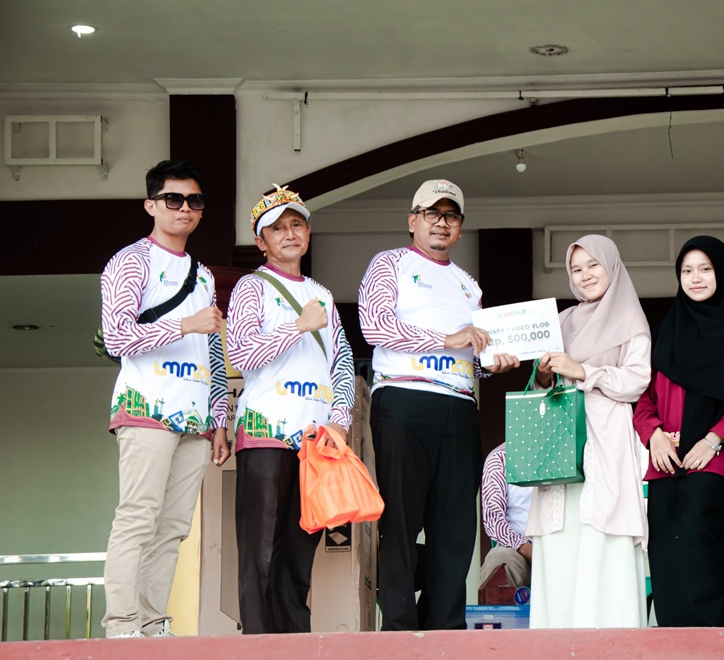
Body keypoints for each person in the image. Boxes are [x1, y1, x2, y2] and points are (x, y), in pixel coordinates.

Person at [357, 179, 518, 631]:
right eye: (432, 213)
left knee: (455, 529)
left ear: (460, 227)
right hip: (404, 398)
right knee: (401, 519)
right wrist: (446, 338)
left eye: (451, 216)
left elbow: (476, 354)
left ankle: (445, 628)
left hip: (460, 405)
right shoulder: (389, 263)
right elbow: (375, 327)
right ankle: (400, 628)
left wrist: (493, 363)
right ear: (413, 220)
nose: (441, 223)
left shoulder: (469, 285)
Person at [99, 160, 229, 638]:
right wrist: (183, 324)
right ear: (151, 205)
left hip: (195, 418)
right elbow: (117, 337)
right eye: (173, 199)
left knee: (173, 528)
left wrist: (219, 418)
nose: (184, 208)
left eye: (195, 200)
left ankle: (152, 624)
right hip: (146, 407)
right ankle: (121, 624)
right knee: (138, 517)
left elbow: (213, 353)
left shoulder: (204, 275)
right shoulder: (130, 261)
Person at [226, 185, 355, 634]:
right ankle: (257, 644)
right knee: (259, 553)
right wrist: (298, 326)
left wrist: (340, 420)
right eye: (277, 228)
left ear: (308, 232)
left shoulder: (323, 295)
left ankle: (295, 644)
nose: (289, 234)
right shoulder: (252, 287)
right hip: (265, 433)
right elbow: (241, 354)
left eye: (296, 224)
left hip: (314, 442)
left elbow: (342, 362)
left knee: (300, 557)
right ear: (261, 241)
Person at [633, 236, 724, 627]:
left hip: (712, 463)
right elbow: (642, 398)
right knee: (667, 564)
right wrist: (653, 434)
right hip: (665, 463)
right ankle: (673, 648)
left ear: (721, 272)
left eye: (705, 269)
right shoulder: (664, 333)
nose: (696, 278)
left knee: (702, 561)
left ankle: (714, 647)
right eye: (687, 270)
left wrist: (713, 440)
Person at [527, 234, 651, 629]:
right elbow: (544, 386)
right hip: (560, 441)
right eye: (576, 269)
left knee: (602, 530)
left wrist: (584, 371)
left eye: (593, 265)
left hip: (604, 439)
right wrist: (544, 375)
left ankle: (610, 642)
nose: (585, 275)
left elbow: (637, 380)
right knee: (562, 534)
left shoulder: (631, 319)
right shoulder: (562, 322)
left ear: (611, 265)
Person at [479, 442, 533, 590]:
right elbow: (494, 519)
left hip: (563, 544)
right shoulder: (500, 457)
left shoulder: (568, 451)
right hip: (519, 547)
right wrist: (524, 547)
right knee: (499, 562)